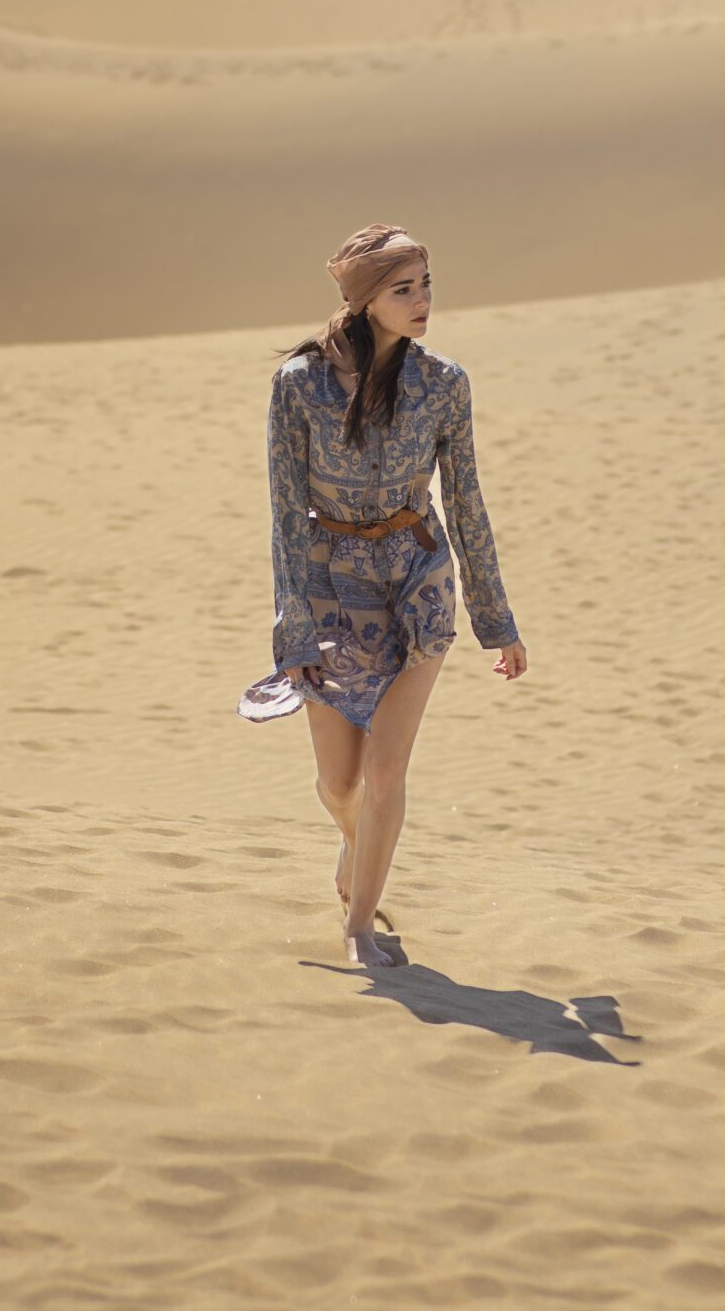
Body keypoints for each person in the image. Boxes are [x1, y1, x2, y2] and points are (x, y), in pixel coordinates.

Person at [237, 223, 528, 970]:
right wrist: (293, 629)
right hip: (330, 585)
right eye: (405, 289)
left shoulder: (445, 384)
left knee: (387, 770)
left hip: (416, 584)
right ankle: (354, 844)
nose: (423, 301)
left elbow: (466, 503)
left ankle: (360, 924)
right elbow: (282, 513)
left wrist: (498, 623)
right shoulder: (298, 386)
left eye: (426, 284)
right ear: (367, 300)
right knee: (341, 784)